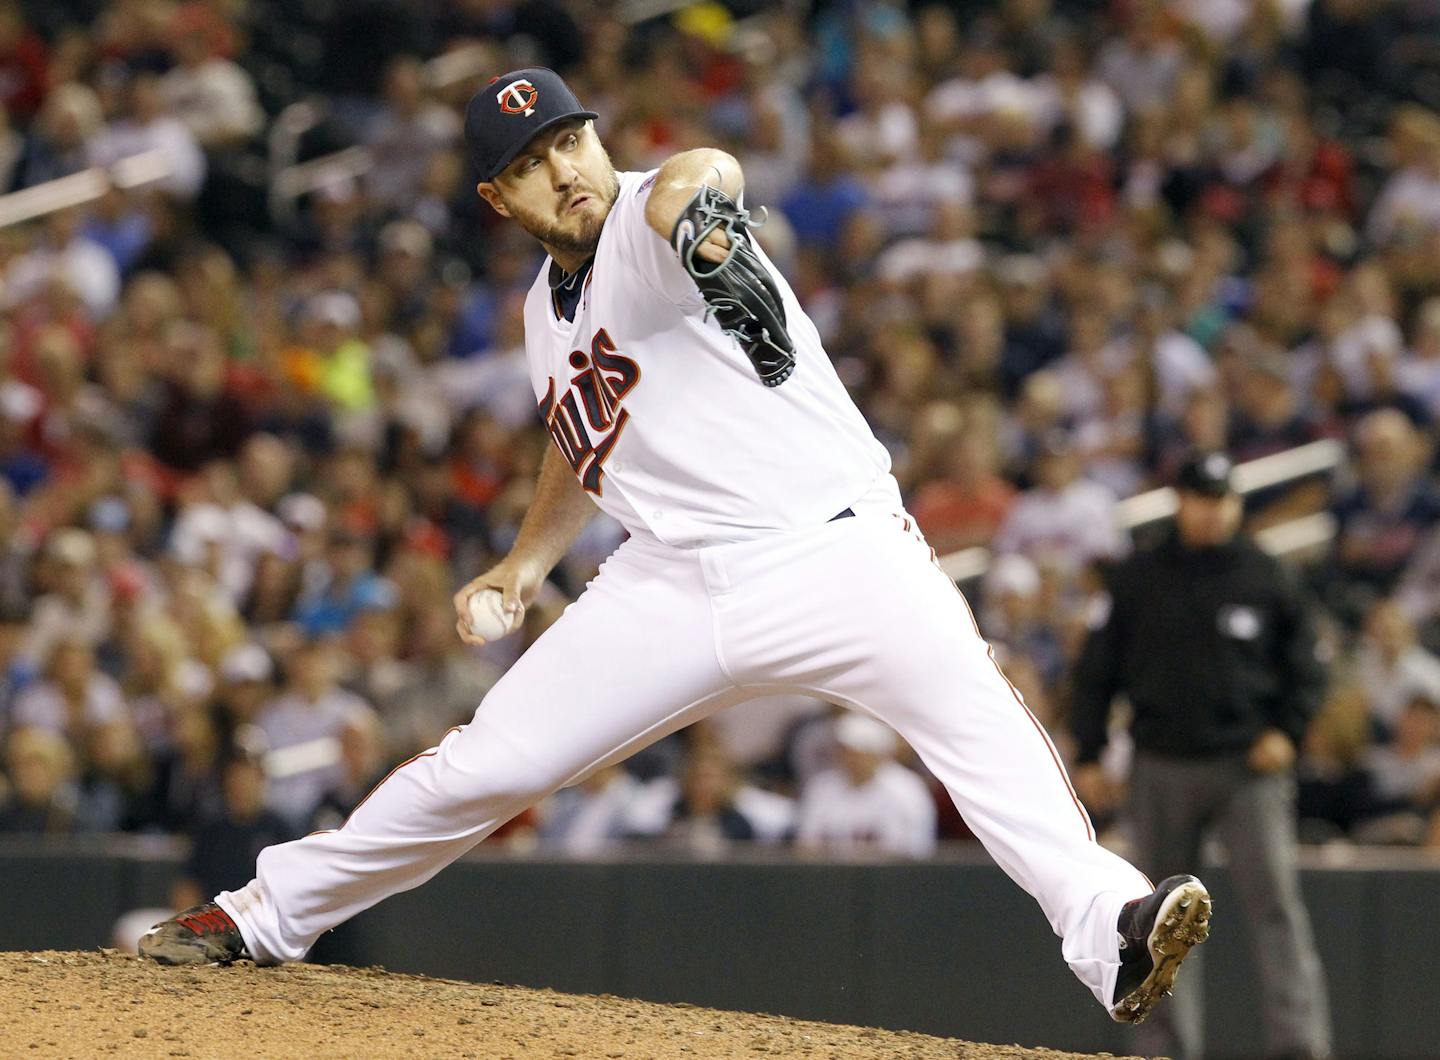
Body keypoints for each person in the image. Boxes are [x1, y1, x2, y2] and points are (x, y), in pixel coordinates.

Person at [139, 67, 1209, 1028]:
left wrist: (704, 217)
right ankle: (263, 914)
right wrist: (526, 562)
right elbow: (580, 437)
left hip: (840, 556)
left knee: (982, 733)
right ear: (494, 200)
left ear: (598, 138)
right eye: (527, 164)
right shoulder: (539, 316)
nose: (561, 171)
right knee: (484, 764)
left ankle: (1111, 926)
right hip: (669, 582)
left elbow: (694, 175)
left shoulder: (642, 232)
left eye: (569, 140)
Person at [1071, 451, 1331, 1060]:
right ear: (1180, 501)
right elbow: (1096, 670)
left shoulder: (1265, 574)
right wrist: (1088, 747)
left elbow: (1308, 667)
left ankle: (1300, 1047)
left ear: (1234, 504)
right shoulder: (1141, 576)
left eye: (1222, 500)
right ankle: (1163, 1049)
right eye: (1201, 498)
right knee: (1159, 922)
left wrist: (1288, 729)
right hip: (1160, 761)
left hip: (1247, 768)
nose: (1212, 511)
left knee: (1276, 913)